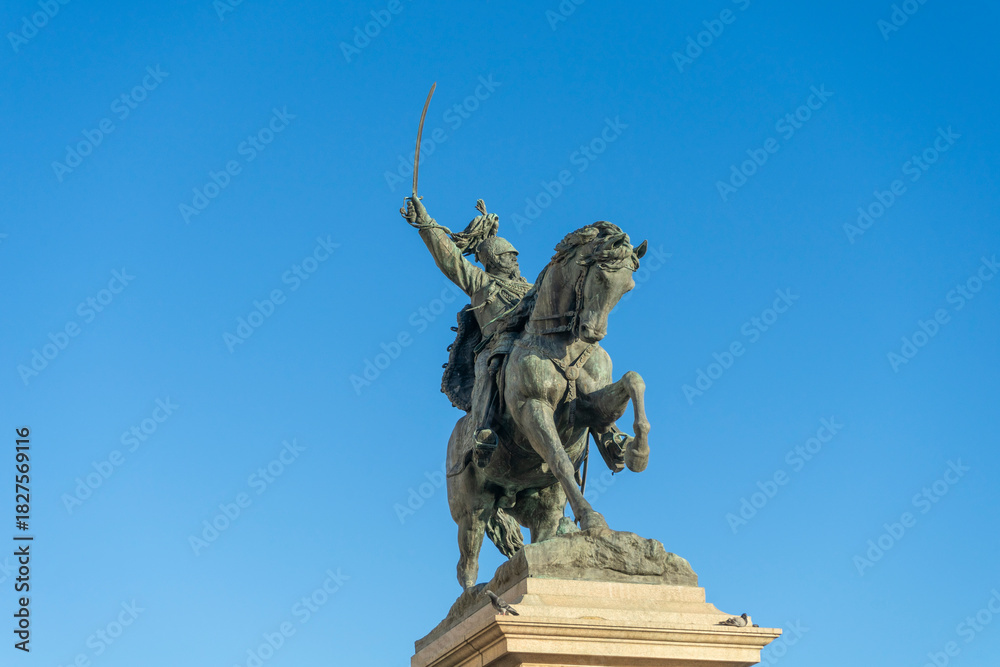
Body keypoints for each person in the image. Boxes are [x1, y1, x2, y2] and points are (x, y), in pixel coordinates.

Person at [401, 196, 531, 467]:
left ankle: (606, 432)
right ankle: (482, 428)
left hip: (533, 347)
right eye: (510, 256)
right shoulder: (480, 282)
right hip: (497, 349)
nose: (516, 260)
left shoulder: (531, 289)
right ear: (495, 259)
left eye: (515, 256)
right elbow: (448, 257)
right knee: (489, 367)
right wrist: (426, 223)